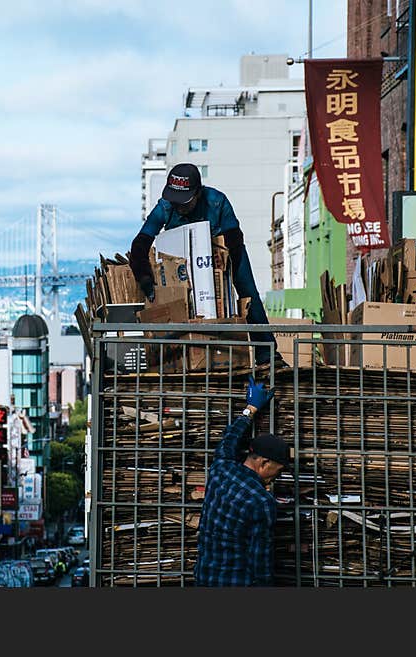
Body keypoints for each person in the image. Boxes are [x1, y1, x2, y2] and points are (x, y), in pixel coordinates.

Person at [129, 162, 284, 368]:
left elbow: (235, 239)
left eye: (185, 203)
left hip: (223, 251)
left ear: (198, 194)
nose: (180, 207)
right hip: (182, 257)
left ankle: (267, 355)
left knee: (248, 293)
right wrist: (145, 278)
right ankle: (186, 357)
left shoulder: (218, 201)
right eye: (176, 202)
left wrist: (227, 264)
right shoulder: (165, 206)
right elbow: (140, 244)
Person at [195, 376, 290, 586]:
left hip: (206, 577)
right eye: (279, 469)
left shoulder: (221, 469)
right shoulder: (261, 502)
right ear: (265, 463)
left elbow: (229, 440)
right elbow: (260, 563)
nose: (279, 475)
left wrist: (251, 408)